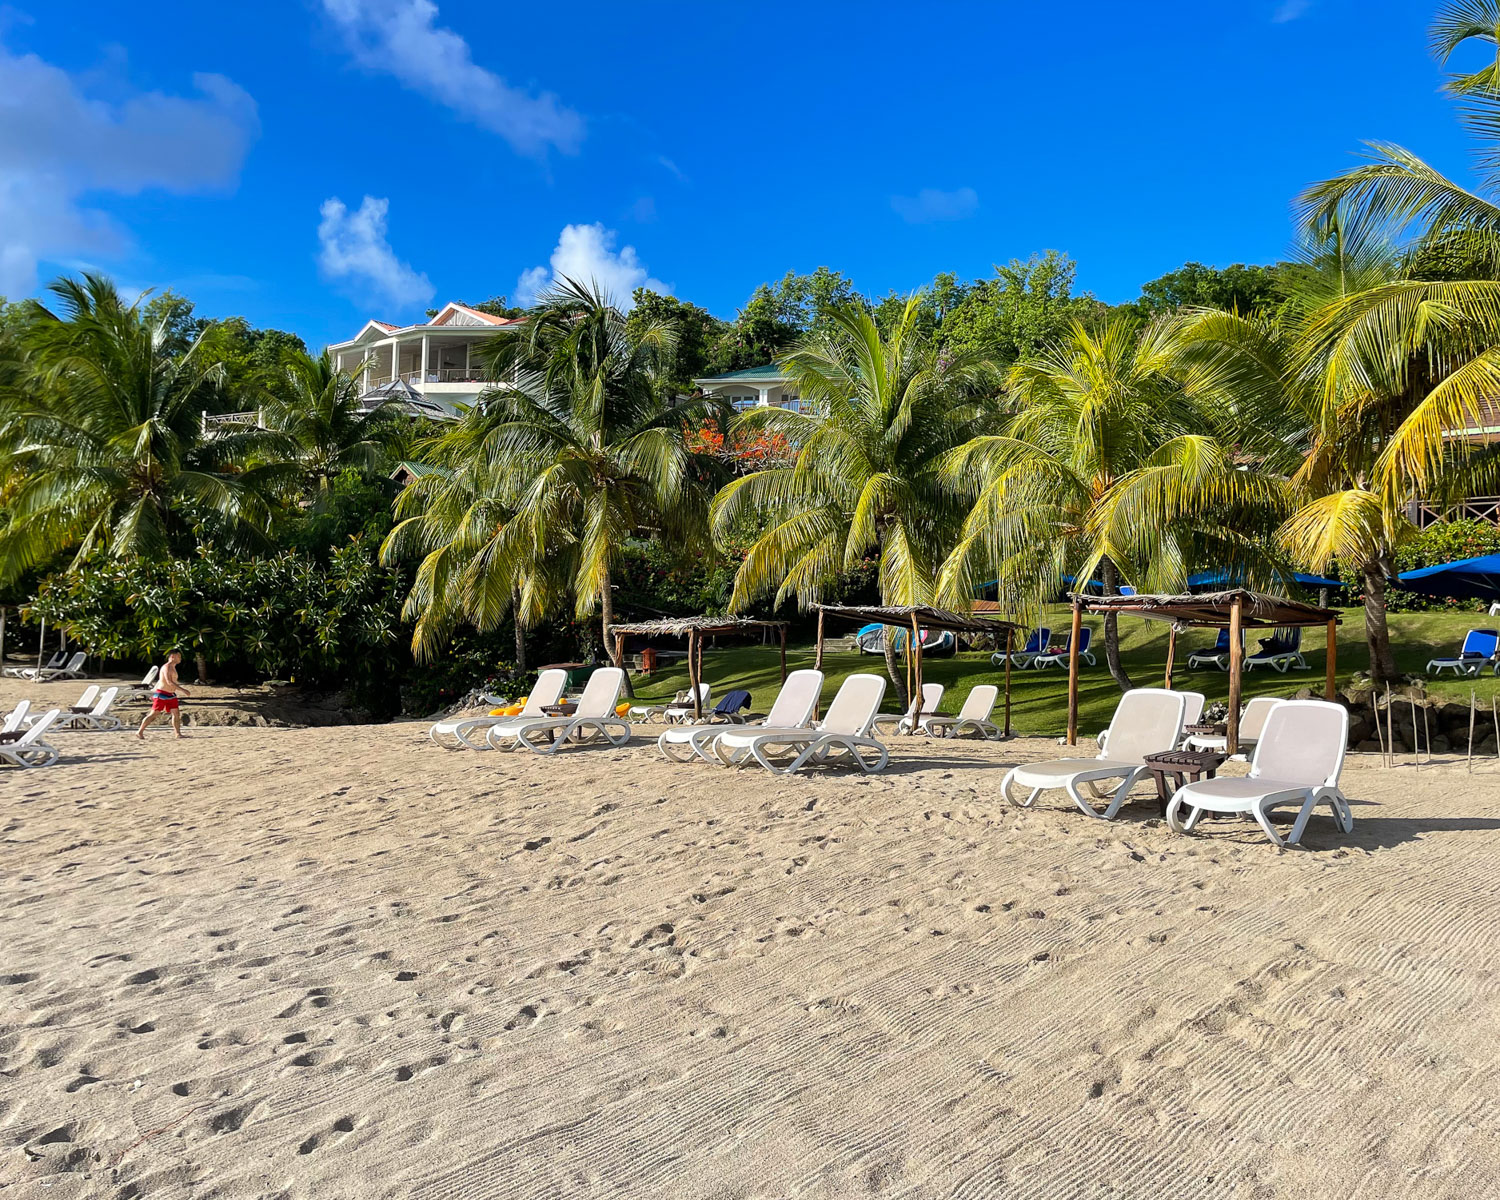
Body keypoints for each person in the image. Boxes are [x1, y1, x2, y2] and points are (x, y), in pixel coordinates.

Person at [137, 650, 191, 740]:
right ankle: (140, 731)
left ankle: (178, 733)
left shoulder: (173, 667)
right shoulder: (167, 667)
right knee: (154, 714)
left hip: (171, 695)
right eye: (179, 656)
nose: (180, 658)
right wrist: (183, 690)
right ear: (172, 656)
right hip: (162, 694)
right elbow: (169, 682)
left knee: (176, 714)